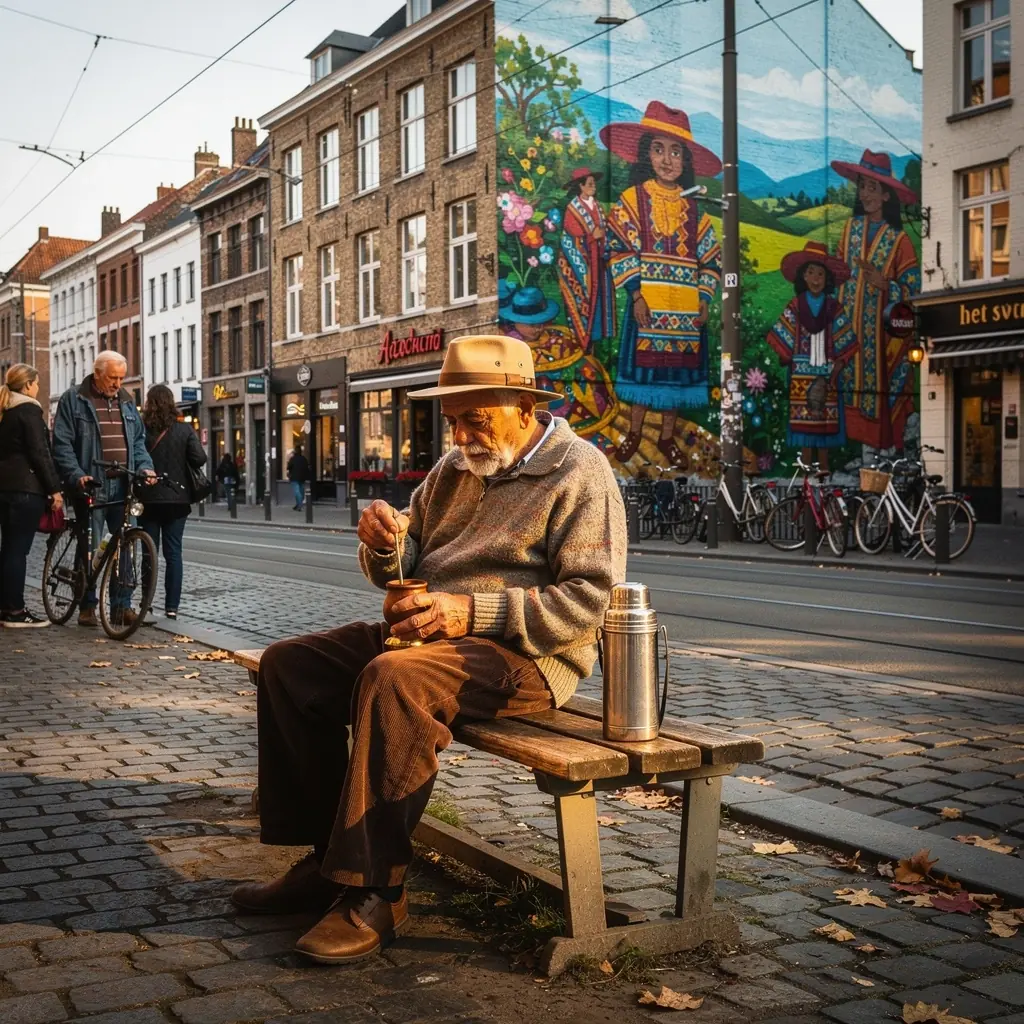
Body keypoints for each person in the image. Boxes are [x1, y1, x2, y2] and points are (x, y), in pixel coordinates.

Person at [232, 335, 626, 965]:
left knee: (395, 680)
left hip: (527, 656)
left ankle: (376, 890)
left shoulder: (581, 471)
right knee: (289, 666)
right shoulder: (453, 469)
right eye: (455, 419)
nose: (465, 434)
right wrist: (385, 545)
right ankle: (322, 862)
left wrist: (468, 611)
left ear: (525, 406)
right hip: (430, 636)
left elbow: (586, 604)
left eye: (479, 417)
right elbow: (403, 563)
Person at [602, 101, 723, 467]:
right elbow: (618, 246)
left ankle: (668, 439)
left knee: (674, 381)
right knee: (643, 376)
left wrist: (704, 299)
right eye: (658, 149)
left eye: (675, 152)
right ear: (646, 155)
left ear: (685, 162)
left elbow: (711, 258)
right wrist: (635, 293)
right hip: (648, 308)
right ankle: (634, 434)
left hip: (685, 315)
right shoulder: (632, 200)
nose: (667, 160)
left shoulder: (695, 208)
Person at [51, 350, 155, 628]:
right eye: (112, 377)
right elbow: (61, 445)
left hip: (124, 485)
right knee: (93, 548)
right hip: (92, 486)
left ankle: (121, 607)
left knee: (126, 546)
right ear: (97, 373)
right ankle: (87, 606)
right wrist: (77, 475)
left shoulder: (127, 402)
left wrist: (145, 468)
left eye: (121, 378)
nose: (118, 384)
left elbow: (139, 443)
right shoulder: (74, 400)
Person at [830, 149, 920, 458]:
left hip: (882, 339)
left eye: (872, 188)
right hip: (849, 333)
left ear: (885, 195)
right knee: (848, 390)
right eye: (861, 186)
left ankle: (881, 451)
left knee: (880, 393)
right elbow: (838, 276)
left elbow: (915, 291)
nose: (865, 194)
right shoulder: (849, 231)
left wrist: (886, 285)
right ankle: (855, 456)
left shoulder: (900, 240)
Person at [767, 241, 856, 472]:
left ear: (827, 279)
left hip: (827, 374)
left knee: (826, 427)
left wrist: (838, 366)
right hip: (801, 373)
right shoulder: (795, 305)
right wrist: (789, 357)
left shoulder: (833, 307)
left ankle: (824, 473)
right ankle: (807, 473)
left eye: (820, 274)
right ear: (803, 277)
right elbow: (779, 336)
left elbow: (846, 340)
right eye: (811, 273)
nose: (816, 278)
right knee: (804, 427)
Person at [0, 364, 63, 627]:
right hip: (26, 490)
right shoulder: (29, 410)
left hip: (3, 488)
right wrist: (54, 489)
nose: (38, 388)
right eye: (36, 383)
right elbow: (40, 453)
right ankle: (15, 610)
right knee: (17, 551)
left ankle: (5, 607)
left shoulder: (5, 411)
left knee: (6, 550)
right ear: (27, 385)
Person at [138, 384, 207, 620]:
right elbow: (199, 458)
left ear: (149, 403)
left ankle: (146, 603)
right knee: (174, 554)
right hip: (177, 500)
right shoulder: (183, 429)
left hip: (148, 499)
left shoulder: (142, 428)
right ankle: (172, 606)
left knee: (149, 553)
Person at [557, 167, 616, 350]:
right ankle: (584, 342)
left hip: (600, 263)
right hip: (582, 265)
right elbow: (571, 239)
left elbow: (605, 231)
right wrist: (592, 237)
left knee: (600, 301)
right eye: (589, 184)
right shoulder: (572, 209)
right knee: (585, 300)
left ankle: (597, 341)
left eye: (594, 183)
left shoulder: (598, 206)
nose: (593, 187)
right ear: (580, 186)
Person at [286, 444, 309, 510]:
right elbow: (306, 468)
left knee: (297, 491)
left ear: (295, 451)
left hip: (294, 477)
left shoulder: (293, 459)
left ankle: (299, 505)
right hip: (302, 478)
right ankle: (298, 504)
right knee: (301, 491)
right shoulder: (304, 459)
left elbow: (288, 467)